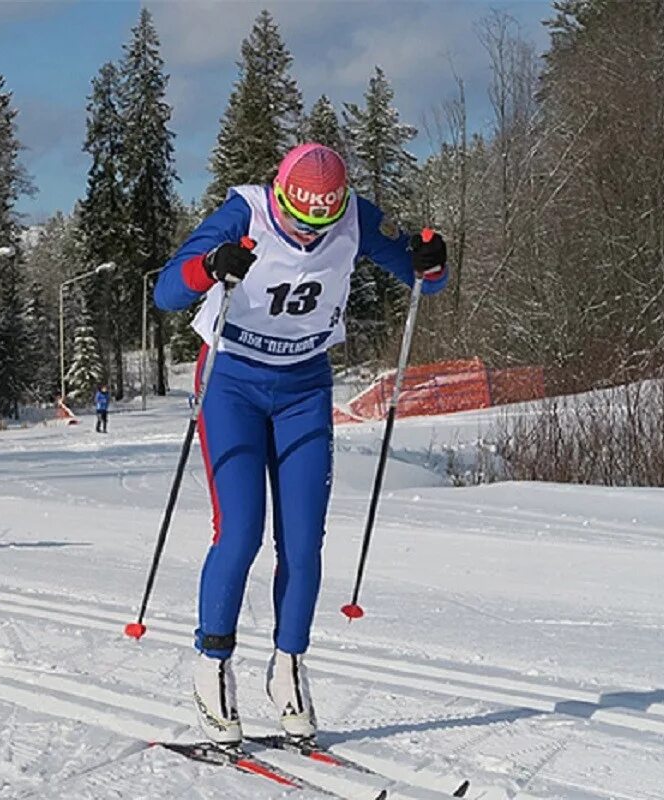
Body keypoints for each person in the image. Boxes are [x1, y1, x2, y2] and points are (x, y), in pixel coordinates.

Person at [154, 143, 448, 744]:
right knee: (239, 533)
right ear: (280, 194)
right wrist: (210, 266)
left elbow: (424, 281)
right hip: (231, 383)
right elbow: (167, 292)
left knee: (304, 541)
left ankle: (287, 668)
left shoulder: (354, 218)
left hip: (303, 387)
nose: (309, 234)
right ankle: (212, 666)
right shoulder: (245, 213)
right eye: (297, 218)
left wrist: (432, 261)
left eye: (322, 221)